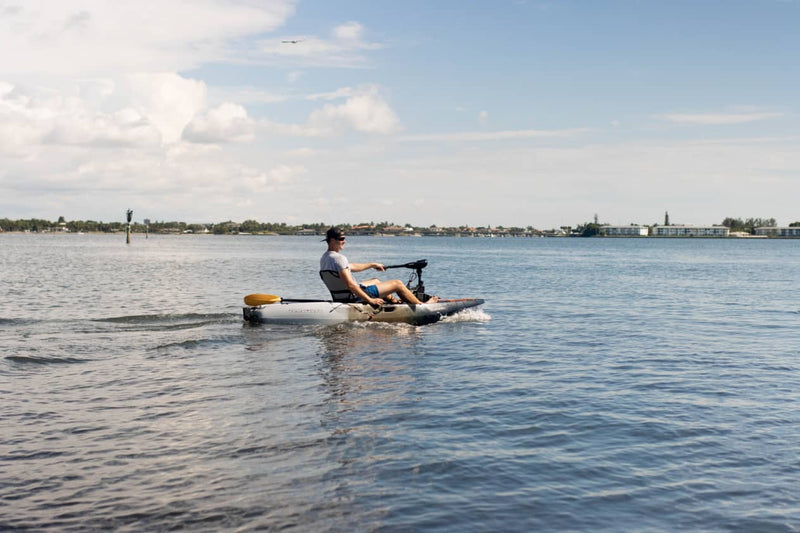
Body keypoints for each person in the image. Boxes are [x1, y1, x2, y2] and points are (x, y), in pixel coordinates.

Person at [319, 226, 438, 306]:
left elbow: (352, 266)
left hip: (341, 296)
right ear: (333, 240)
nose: (344, 241)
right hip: (354, 297)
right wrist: (370, 300)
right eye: (342, 239)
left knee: (375, 280)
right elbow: (351, 285)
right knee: (397, 283)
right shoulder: (340, 258)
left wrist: (372, 265)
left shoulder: (325, 258)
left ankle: (395, 303)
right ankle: (423, 306)